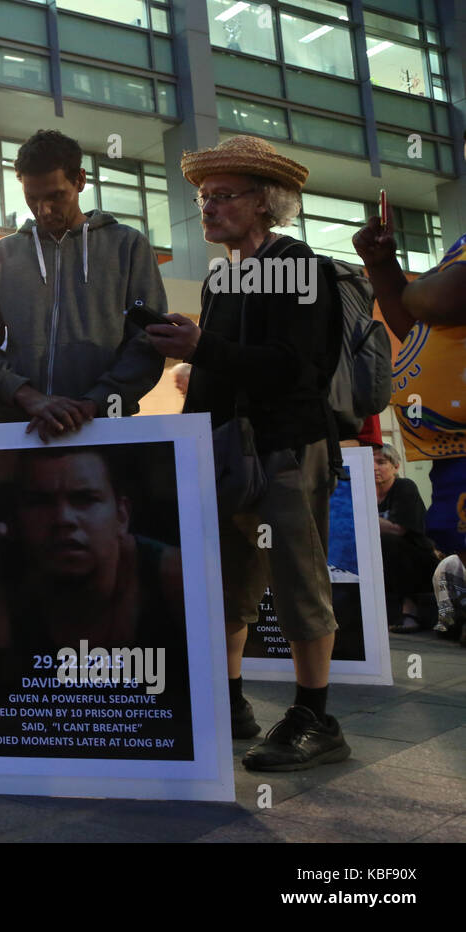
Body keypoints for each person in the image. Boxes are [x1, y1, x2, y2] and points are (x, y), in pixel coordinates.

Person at [149, 135, 347, 771]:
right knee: (227, 584)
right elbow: (213, 373)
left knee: (297, 582)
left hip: (285, 449)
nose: (206, 207)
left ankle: (316, 716)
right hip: (225, 453)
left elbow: (298, 370)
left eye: (223, 196)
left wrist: (201, 348)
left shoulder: (303, 268)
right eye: (203, 197)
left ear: (265, 202)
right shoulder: (222, 276)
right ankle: (228, 700)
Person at [0, 130, 166, 441]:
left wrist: (94, 403)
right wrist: (28, 397)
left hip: (106, 428)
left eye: (56, 195)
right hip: (21, 429)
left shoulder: (128, 246)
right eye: (32, 197)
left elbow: (148, 342)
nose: (44, 209)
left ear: (80, 181)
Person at [352, 168, 466, 594]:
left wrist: (420, 295)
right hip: (452, 446)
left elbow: (442, 299)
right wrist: (383, 267)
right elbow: (416, 327)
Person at [0, 448, 184, 654]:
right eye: (41, 502)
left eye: (84, 499)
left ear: (122, 516)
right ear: (14, 522)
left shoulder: (176, 579)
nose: (63, 519)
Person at [373, 444, 438, 632]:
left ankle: (410, 609)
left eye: (381, 462)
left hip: (420, 560)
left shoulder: (404, 487)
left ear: (396, 466)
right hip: (390, 560)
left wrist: (364, 517)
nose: (374, 467)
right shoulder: (364, 493)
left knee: (387, 542)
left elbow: (398, 530)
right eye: (370, 463)